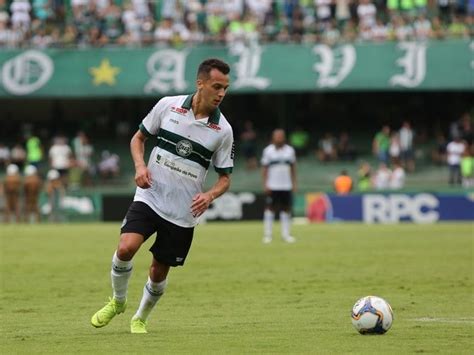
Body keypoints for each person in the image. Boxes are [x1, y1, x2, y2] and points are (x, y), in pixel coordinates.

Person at [90, 58, 234, 334]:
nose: (221, 94)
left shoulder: (223, 130)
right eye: (216, 86)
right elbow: (138, 139)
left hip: (183, 212)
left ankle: (140, 317)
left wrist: (210, 195)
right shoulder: (168, 105)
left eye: (225, 88)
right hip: (150, 196)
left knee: (158, 272)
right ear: (200, 83)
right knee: (125, 248)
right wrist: (140, 166)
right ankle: (118, 302)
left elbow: (225, 178)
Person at [261, 129, 297, 244]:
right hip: (273, 185)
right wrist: (265, 184)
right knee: (270, 209)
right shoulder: (268, 151)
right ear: (273, 138)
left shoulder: (290, 151)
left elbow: (293, 168)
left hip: (286, 185)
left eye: (281, 136)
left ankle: (286, 235)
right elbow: (265, 169)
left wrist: (294, 183)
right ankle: (268, 235)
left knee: (286, 209)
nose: (279, 138)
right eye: (277, 136)